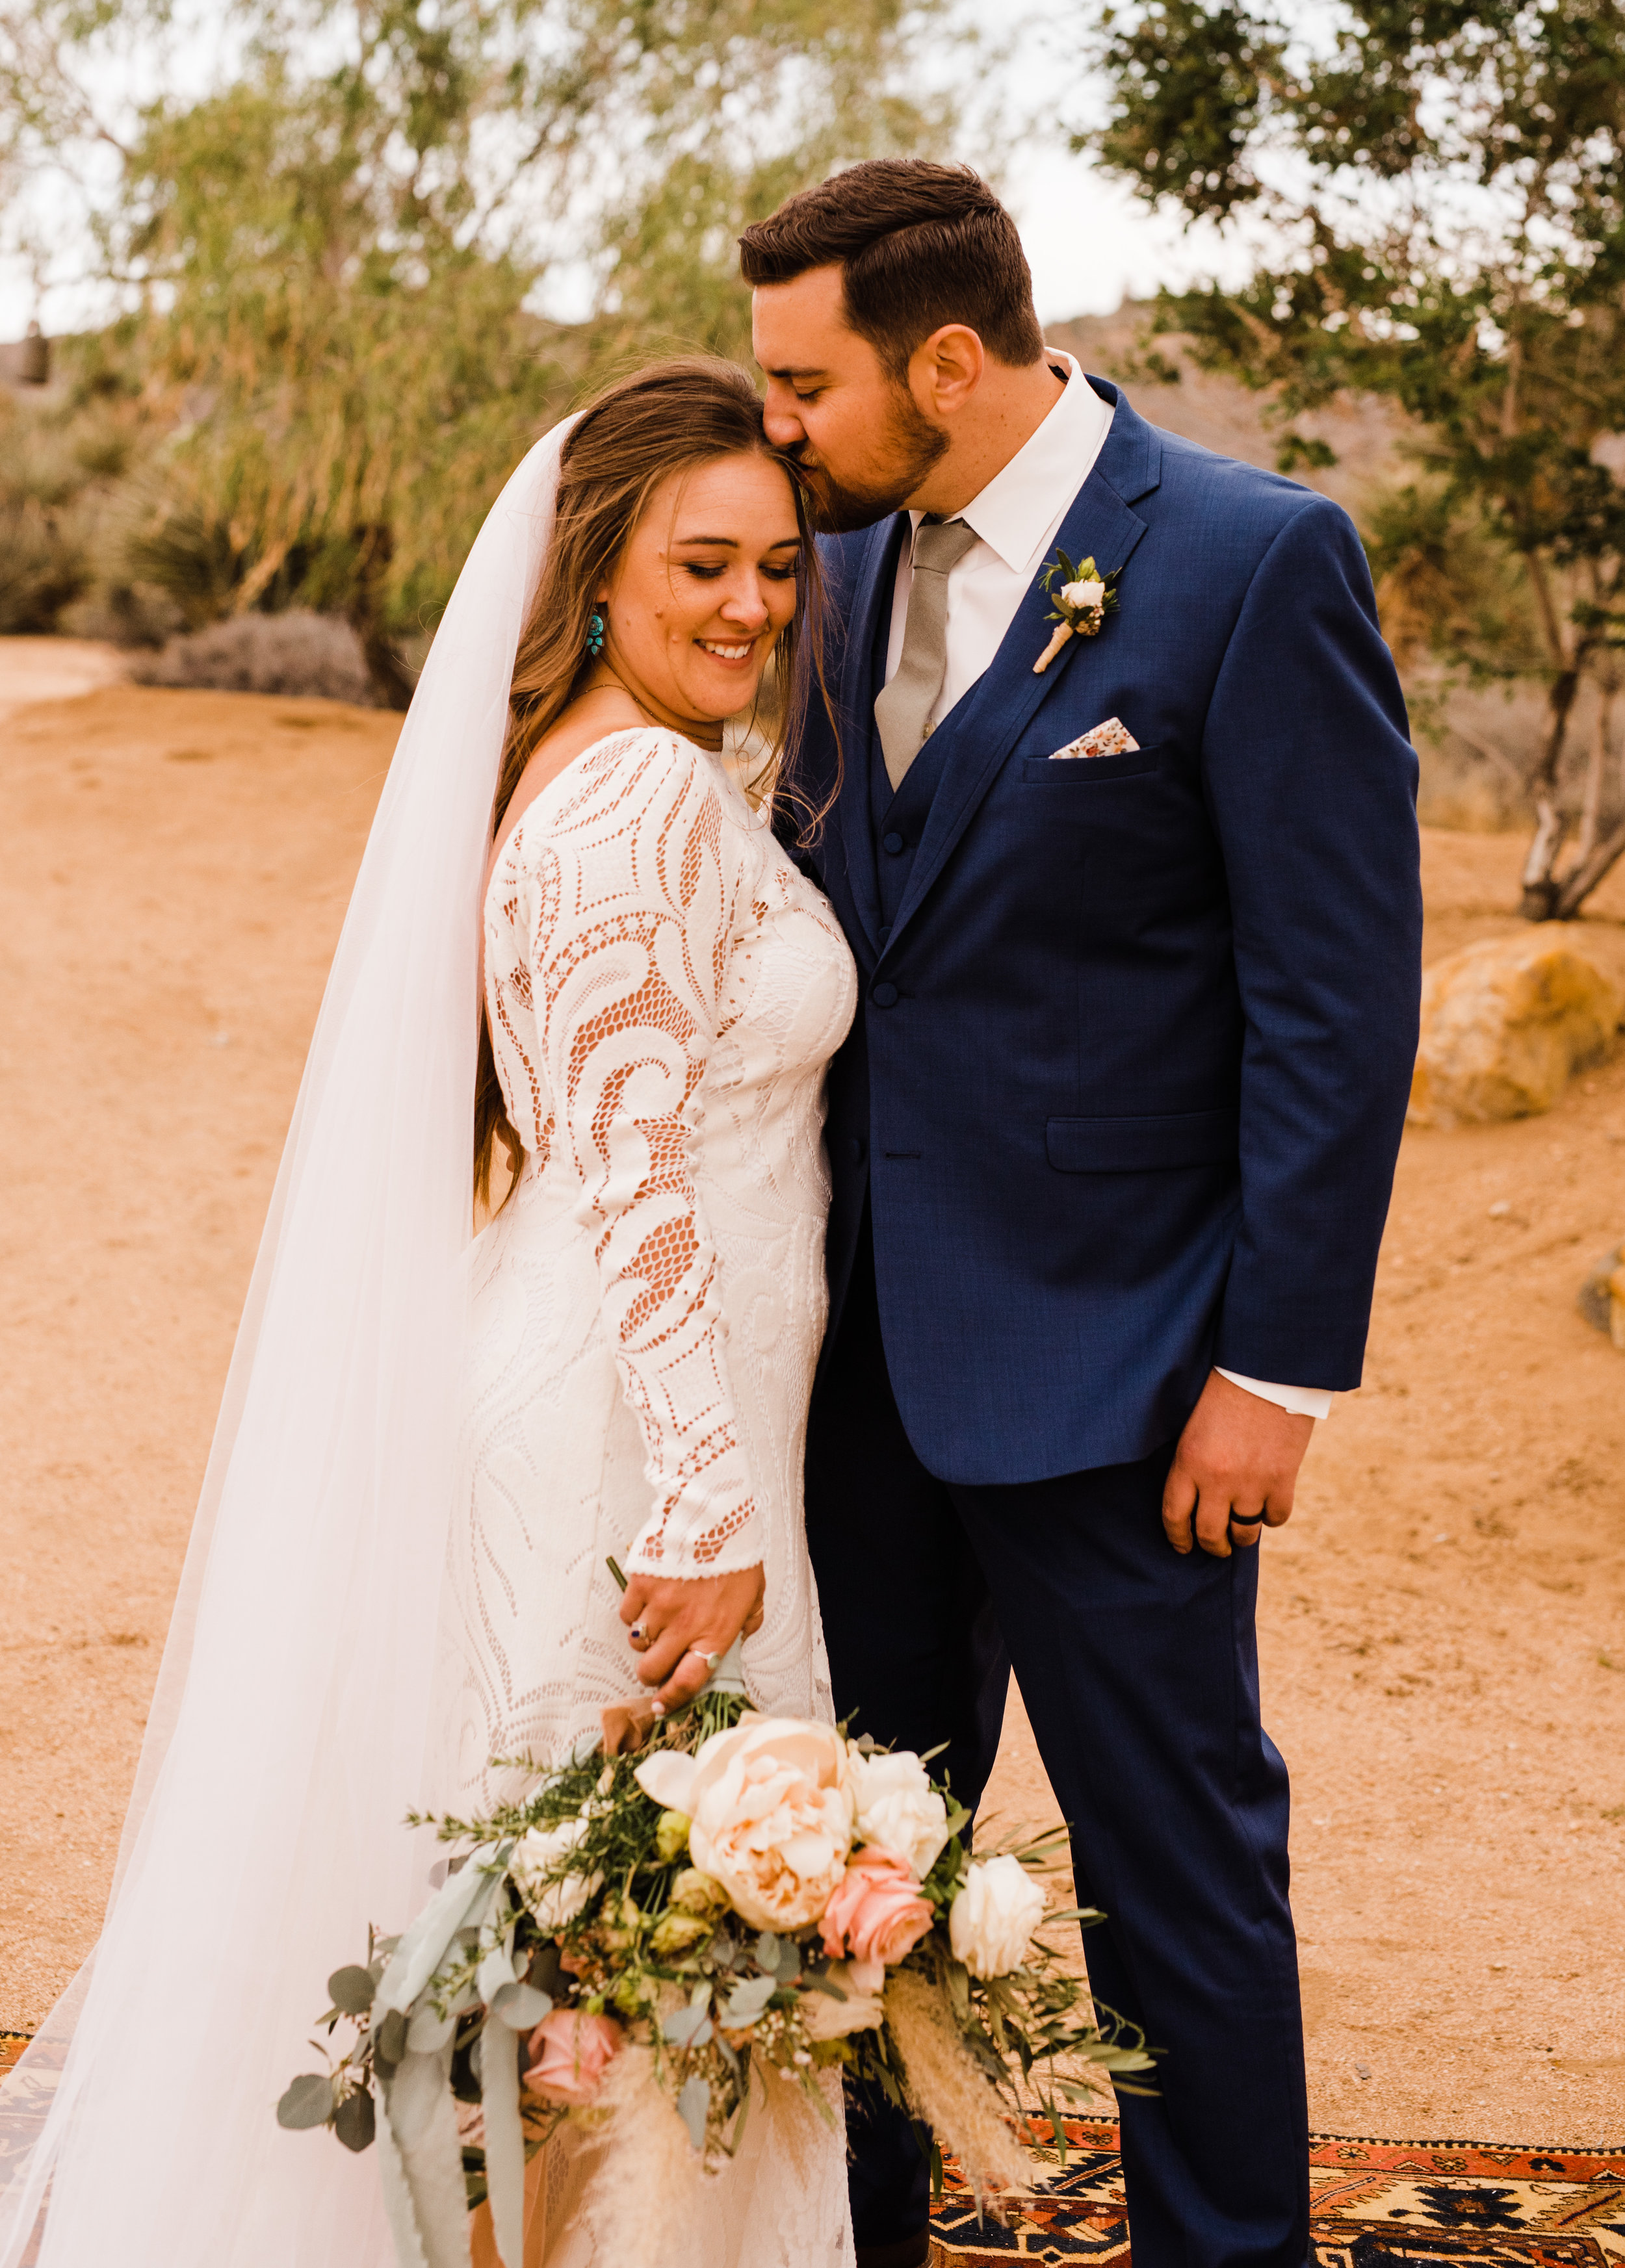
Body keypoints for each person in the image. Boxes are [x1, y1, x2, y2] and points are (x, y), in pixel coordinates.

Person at [0, 358, 857, 2268]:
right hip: (637, 1445)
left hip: (651, 1405)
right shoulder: (628, 786)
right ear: (597, 566)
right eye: (701, 564)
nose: (746, 606)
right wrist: (704, 1513)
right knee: (585, 1960)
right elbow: (633, 1171)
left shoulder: (610, 762)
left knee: (582, 1957)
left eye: (778, 571)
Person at [740, 159, 1423, 2268]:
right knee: (838, 1875)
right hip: (851, 1364)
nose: (777, 433)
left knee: (1178, 1879)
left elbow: (1335, 1001)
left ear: (945, 361)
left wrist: (1275, 1366)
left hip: (1132, 1380)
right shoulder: (836, 578)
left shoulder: (1245, 562)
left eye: (803, 385)